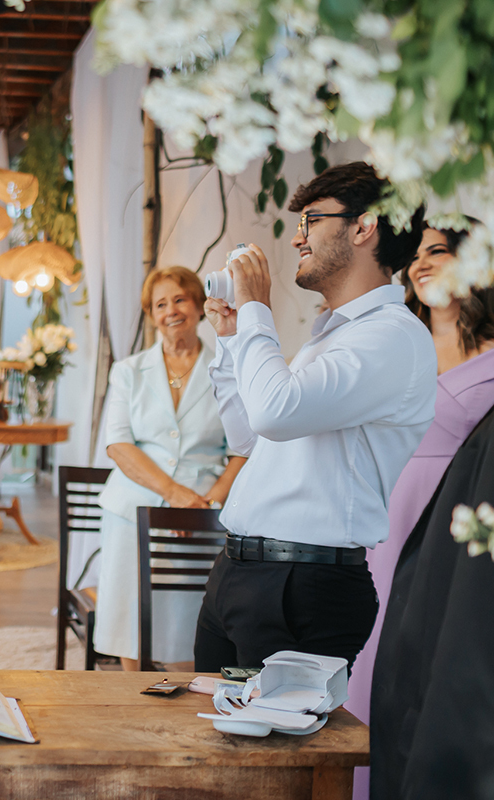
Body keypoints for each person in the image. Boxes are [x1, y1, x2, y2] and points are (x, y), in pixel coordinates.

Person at [196, 161, 436, 673]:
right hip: (240, 571)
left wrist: (257, 309)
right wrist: (234, 340)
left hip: (300, 583)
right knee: (206, 722)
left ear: (364, 226)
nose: (296, 238)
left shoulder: (392, 336)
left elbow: (274, 413)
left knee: (273, 729)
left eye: (311, 220)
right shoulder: (334, 335)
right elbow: (251, 438)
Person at [346, 219, 494, 799]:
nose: (420, 263)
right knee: (374, 649)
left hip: (459, 516)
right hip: (390, 510)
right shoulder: (398, 343)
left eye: (438, 251)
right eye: (415, 255)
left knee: (433, 651)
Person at [90, 266, 246, 670]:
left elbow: (242, 450)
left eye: (180, 299)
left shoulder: (227, 370)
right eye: (160, 304)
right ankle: (132, 694)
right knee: (130, 623)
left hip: (202, 513)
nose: (171, 310)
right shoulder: (128, 371)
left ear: (198, 305)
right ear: (151, 315)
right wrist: (174, 495)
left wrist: (207, 504)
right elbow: (118, 444)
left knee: (188, 624)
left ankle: (188, 695)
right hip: (133, 507)